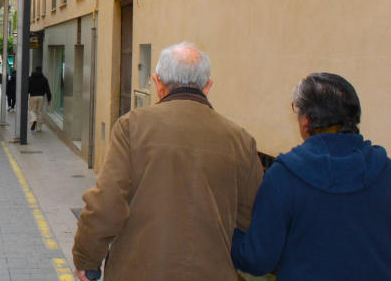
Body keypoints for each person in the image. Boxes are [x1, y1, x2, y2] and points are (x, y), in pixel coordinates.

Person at [72, 42, 263, 281]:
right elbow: (250, 218)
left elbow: (107, 202)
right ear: (208, 86)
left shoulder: (132, 126)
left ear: (157, 83)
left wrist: (87, 259)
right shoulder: (241, 141)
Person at [231, 73, 391, 280]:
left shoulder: (285, 176)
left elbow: (258, 259)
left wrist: (229, 234)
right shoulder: (389, 171)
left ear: (306, 118)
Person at [28, 66, 51, 131]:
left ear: (35, 69)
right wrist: (49, 99)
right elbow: (47, 89)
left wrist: (29, 92)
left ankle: (33, 119)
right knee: (39, 111)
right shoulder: (44, 79)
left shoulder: (30, 78)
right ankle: (38, 127)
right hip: (41, 96)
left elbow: (27, 87)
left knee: (32, 109)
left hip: (33, 96)